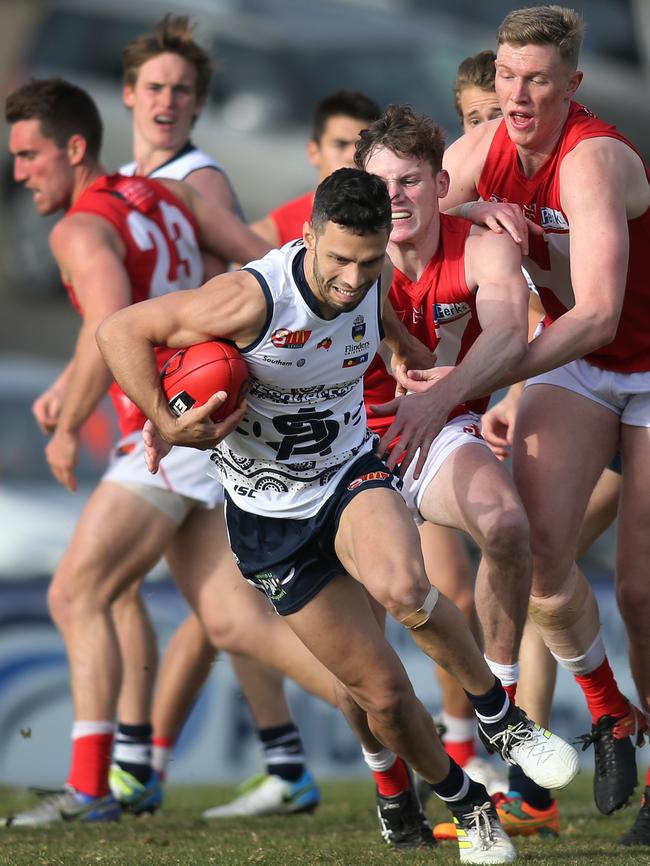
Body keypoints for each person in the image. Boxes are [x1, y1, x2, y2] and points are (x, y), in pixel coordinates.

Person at [99, 166, 582, 862]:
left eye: (367, 260)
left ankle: (502, 719)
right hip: (269, 520)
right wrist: (164, 420)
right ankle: (465, 801)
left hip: (349, 471)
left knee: (406, 588)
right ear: (307, 237)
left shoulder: (368, 271)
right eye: (338, 262)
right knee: (380, 693)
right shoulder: (250, 298)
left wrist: (398, 344)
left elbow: (374, 298)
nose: (352, 279)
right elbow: (120, 330)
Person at [2, 76, 339, 827]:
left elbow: (114, 320)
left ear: (75, 148)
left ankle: (92, 787)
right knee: (228, 618)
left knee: (74, 592)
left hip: (170, 428)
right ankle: (384, 708)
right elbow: (261, 260)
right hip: (209, 415)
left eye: (29, 155)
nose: (19, 172)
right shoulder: (166, 197)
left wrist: (70, 419)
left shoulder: (79, 229)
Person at [381, 4, 650, 842]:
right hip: (575, 366)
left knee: (640, 586)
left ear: (572, 83)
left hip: (634, 360)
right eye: (506, 78)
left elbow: (599, 314)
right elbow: (410, 223)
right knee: (531, 546)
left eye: (537, 80)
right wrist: (461, 217)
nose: (519, 95)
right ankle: (611, 715)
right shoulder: (475, 151)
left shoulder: (593, 159)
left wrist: (481, 381)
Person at [255, 85, 505, 800]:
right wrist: (168, 407)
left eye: (402, 181)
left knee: (434, 587)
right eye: (347, 159)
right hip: (303, 471)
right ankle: (392, 783)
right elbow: (233, 286)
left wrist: (468, 212)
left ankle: (481, 738)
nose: (387, 195)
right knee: (362, 673)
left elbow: (417, 237)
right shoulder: (292, 242)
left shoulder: (408, 229)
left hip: (385, 444)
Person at [111, 13, 323, 817]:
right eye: (156, 87)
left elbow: (246, 274)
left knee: (84, 588)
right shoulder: (134, 174)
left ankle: (118, 771)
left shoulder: (198, 181)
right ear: (130, 94)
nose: (168, 100)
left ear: (198, 104)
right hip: (162, 412)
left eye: (183, 90)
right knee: (229, 616)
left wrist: (190, 386)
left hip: (193, 416)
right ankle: (297, 756)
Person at [250, 89, 381, 247]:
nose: (353, 155)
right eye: (341, 144)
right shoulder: (269, 235)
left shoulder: (402, 226)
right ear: (314, 152)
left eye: (363, 145)